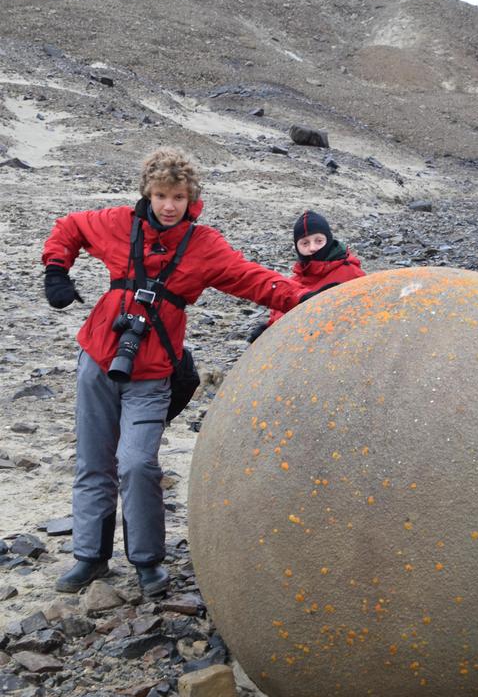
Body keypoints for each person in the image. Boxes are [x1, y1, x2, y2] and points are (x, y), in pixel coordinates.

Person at [42, 148, 314, 597]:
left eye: (179, 196)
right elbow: (68, 227)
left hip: (152, 372)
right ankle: (90, 558)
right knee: (94, 462)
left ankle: (147, 561)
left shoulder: (204, 246)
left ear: (192, 199)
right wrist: (56, 270)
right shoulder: (117, 223)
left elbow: (250, 277)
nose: (169, 205)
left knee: (137, 463)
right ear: (147, 192)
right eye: (161, 194)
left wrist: (301, 298)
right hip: (97, 357)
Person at [248, 210, 365, 341]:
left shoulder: (352, 274)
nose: (312, 248)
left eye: (319, 241)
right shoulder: (294, 281)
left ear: (329, 240)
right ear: (297, 247)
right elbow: (281, 315)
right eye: (305, 243)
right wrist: (268, 330)